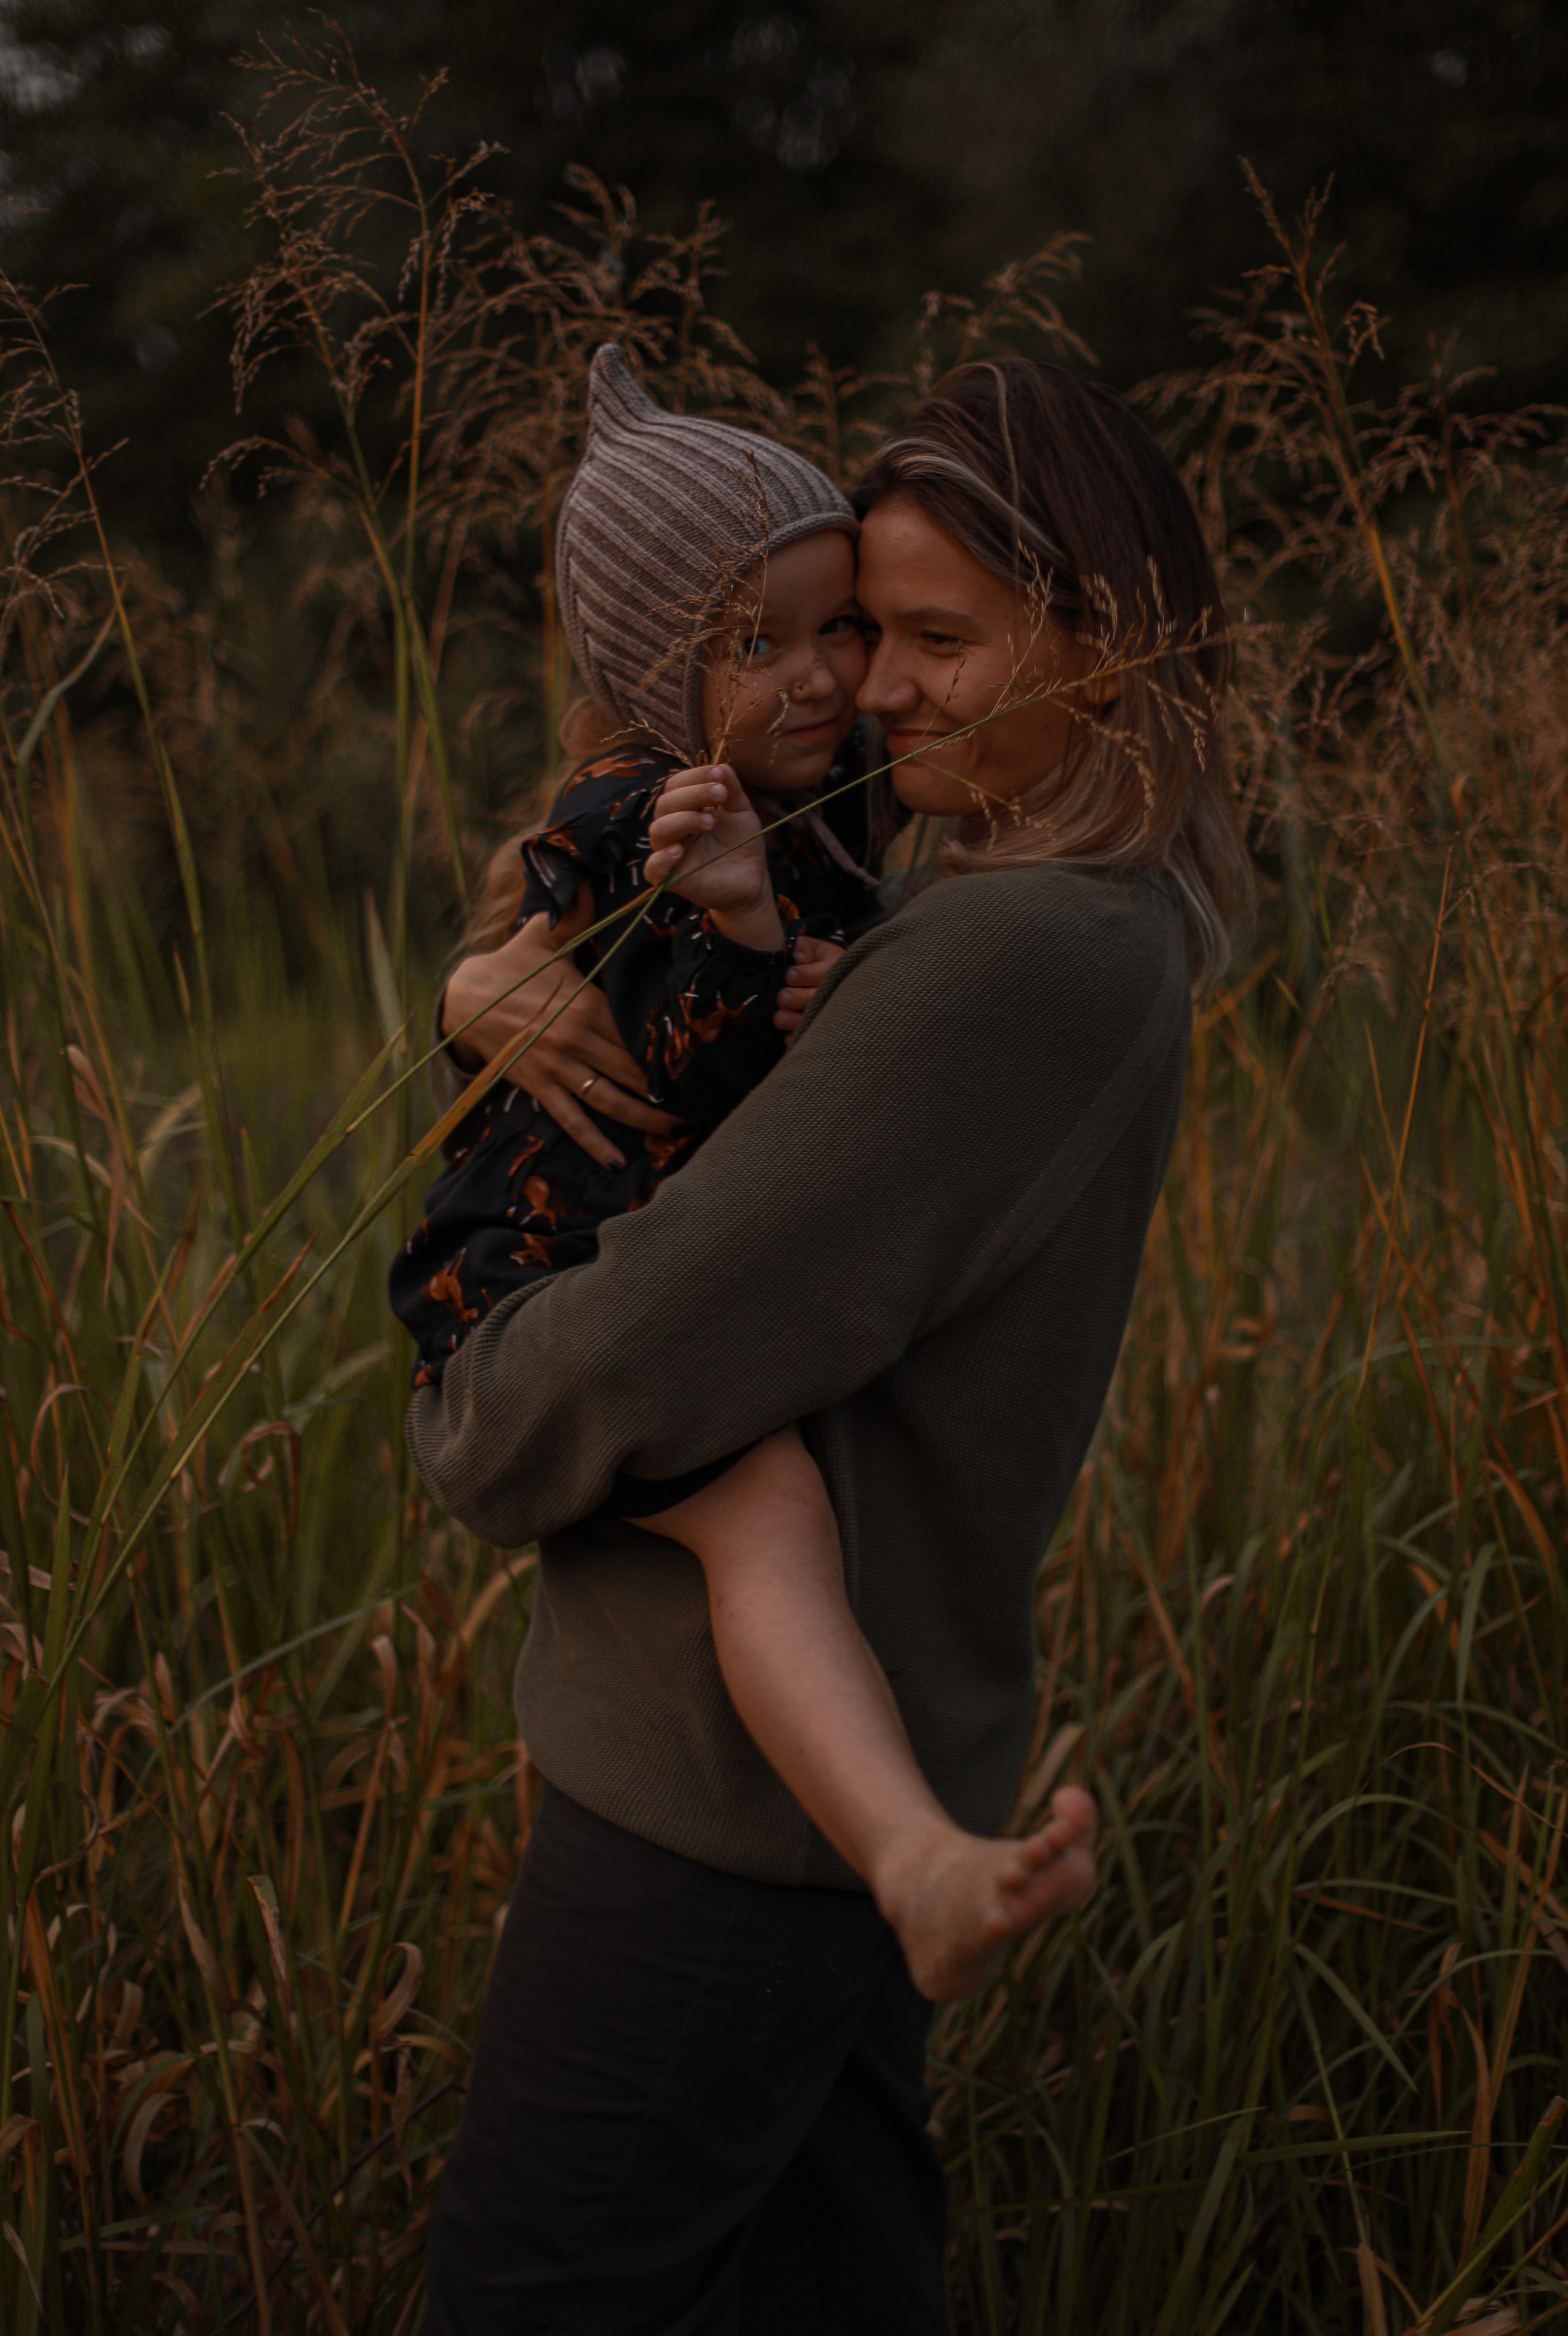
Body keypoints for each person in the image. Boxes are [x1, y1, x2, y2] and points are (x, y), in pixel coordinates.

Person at [412, 355, 1250, 2335]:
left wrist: (472, 1411)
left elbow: (625, 1358)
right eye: (870, 634)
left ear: (1109, 649)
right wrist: (478, 988)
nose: (874, 691)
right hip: (815, 1806)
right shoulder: (999, 904)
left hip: (718, 1815)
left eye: (940, 641)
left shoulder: (1010, 946)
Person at [393, 343, 1099, 2004]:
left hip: (624, 1247)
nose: (827, 677)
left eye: (838, 626)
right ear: (659, 673)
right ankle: (913, 1859)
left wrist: (834, 958)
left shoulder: (820, 796)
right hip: (532, 1272)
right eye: (755, 645)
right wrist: (743, 929)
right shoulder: (650, 812)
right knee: (769, 1515)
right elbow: (678, 1077)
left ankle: (915, 1860)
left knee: (773, 1519)